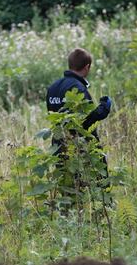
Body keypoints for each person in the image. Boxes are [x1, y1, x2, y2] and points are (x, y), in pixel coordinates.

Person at [46, 48, 112, 195]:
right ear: (87, 67)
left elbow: (52, 115)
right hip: (80, 145)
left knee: (67, 188)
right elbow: (83, 123)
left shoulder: (53, 87)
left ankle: (69, 209)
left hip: (58, 143)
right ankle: (103, 207)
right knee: (100, 185)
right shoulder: (78, 88)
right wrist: (103, 110)